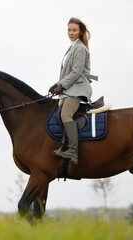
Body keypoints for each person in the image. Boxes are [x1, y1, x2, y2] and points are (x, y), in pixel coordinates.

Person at [49, 17, 97, 164]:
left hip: (78, 89)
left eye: (74, 30)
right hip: (70, 88)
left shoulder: (80, 48)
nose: (71, 33)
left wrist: (61, 85)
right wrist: (57, 84)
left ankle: (73, 151)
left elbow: (76, 73)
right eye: (69, 30)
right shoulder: (72, 47)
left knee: (66, 115)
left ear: (80, 32)